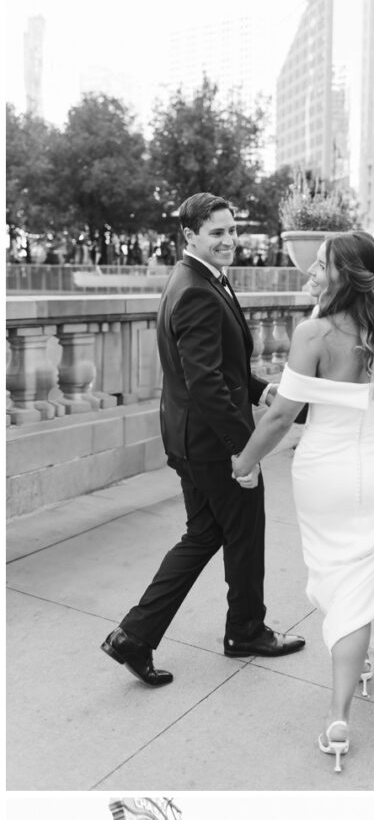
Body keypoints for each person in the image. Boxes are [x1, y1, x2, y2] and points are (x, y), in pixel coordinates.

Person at [229, 231, 374, 771]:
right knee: (367, 567)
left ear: (342, 275)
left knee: (338, 576)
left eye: (322, 264)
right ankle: (357, 671)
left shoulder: (313, 333)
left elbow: (283, 416)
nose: (312, 270)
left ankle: (338, 716)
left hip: (324, 474)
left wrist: (244, 460)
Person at [100, 194, 306, 689]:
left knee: (206, 534)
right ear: (190, 236)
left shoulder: (196, 277)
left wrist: (261, 389)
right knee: (243, 527)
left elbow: (221, 367)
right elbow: (205, 383)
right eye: (216, 232)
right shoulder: (195, 288)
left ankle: (136, 636)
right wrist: (244, 449)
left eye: (231, 230)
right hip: (213, 443)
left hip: (190, 437)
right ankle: (245, 631)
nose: (229, 239)